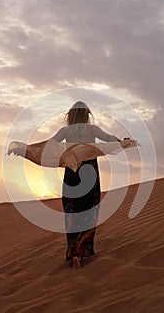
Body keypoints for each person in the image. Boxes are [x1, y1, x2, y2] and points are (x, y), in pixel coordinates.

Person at [50, 101, 122, 269]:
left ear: (71, 115)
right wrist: (122, 141)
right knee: (89, 209)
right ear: (86, 115)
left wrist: (66, 151)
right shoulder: (92, 129)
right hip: (90, 173)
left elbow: (51, 144)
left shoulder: (65, 131)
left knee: (72, 211)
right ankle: (83, 250)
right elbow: (109, 139)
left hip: (71, 173)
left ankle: (74, 252)